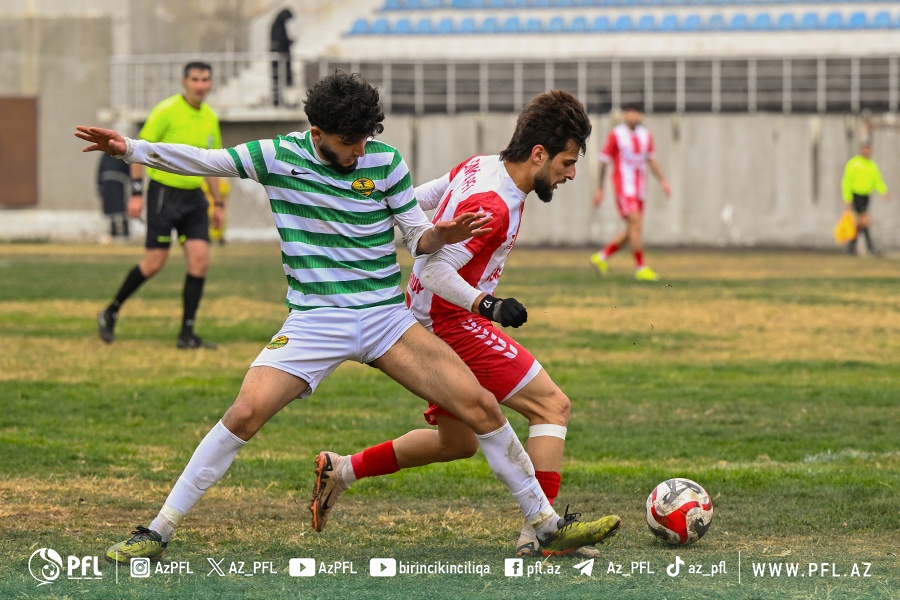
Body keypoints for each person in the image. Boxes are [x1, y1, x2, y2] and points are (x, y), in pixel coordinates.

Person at [75, 71, 619, 563]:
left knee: (479, 407)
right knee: (244, 415)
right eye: (347, 141)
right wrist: (131, 149)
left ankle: (547, 527)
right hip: (316, 320)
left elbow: (416, 238)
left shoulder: (383, 161)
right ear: (317, 131)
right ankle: (158, 531)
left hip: (387, 318)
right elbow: (205, 161)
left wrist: (444, 235)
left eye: (366, 138)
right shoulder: (278, 155)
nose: (360, 151)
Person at [309, 90, 619, 558]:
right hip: (447, 321)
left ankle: (342, 469)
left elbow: (414, 200)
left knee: (457, 442)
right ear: (539, 153)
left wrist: (371, 213)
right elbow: (430, 267)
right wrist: (487, 305)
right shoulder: (494, 205)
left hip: (431, 317)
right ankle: (543, 533)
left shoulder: (480, 165)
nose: (571, 173)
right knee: (551, 407)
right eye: (567, 162)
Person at [96, 61, 224, 349]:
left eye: (205, 79)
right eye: (195, 79)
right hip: (164, 195)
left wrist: (218, 202)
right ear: (184, 82)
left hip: (194, 198)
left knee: (200, 261)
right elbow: (137, 151)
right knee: (154, 263)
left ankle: (187, 334)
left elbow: (214, 164)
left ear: (210, 83)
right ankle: (111, 310)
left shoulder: (210, 118)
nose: (200, 85)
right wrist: (138, 193)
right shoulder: (166, 111)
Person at [590, 104, 671, 281]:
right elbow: (604, 161)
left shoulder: (645, 135)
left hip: (640, 188)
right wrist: (600, 188)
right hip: (624, 187)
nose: (633, 115)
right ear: (625, 114)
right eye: (630, 112)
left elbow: (651, 160)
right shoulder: (616, 134)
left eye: (637, 112)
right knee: (636, 223)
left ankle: (601, 257)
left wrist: (663, 181)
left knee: (633, 229)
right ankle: (641, 267)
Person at [841, 141, 889, 256]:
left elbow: (877, 180)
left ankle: (851, 248)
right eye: (865, 149)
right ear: (861, 150)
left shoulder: (872, 165)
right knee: (863, 220)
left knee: (860, 222)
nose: (867, 151)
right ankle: (870, 246)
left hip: (866, 196)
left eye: (869, 149)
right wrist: (847, 198)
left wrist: (883, 191)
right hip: (856, 195)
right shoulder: (854, 163)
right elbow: (846, 181)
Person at [96, 152, 131, 243]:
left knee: (121, 207)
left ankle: (125, 231)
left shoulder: (122, 155)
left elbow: (128, 168)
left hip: (118, 184)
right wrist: (99, 186)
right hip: (107, 184)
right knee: (110, 209)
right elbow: (100, 170)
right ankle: (113, 231)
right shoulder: (105, 156)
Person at [270, 8, 294, 107]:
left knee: (284, 80)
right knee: (278, 79)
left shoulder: (279, 25)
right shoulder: (277, 26)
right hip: (279, 59)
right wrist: (288, 42)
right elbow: (280, 41)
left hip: (282, 58)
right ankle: (277, 100)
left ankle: (281, 100)